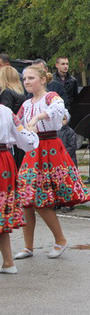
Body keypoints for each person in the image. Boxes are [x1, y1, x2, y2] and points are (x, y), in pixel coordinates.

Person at [13, 64, 90, 261]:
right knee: (26, 199)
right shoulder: (25, 104)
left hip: (50, 149)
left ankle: (61, 240)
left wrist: (38, 117)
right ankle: (28, 246)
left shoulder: (51, 97)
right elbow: (17, 125)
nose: (27, 82)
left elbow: (59, 109)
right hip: (33, 151)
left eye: (31, 78)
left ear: (42, 80)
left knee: (41, 201)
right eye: (24, 79)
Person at [0, 102, 39, 274]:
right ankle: (8, 262)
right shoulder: (6, 112)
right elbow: (27, 141)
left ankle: (9, 262)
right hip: (4, 162)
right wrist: (32, 133)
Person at [57, 113, 78, 213]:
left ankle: (70, 202)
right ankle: (59, 201)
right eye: (60, 119)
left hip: (68, 161)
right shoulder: (55, 132)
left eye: (64, 119)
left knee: (68, 182)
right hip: (57, 161)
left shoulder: (70, 132)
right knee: (58, 182)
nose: (62, 121)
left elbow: (72, 147)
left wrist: (61, 152)